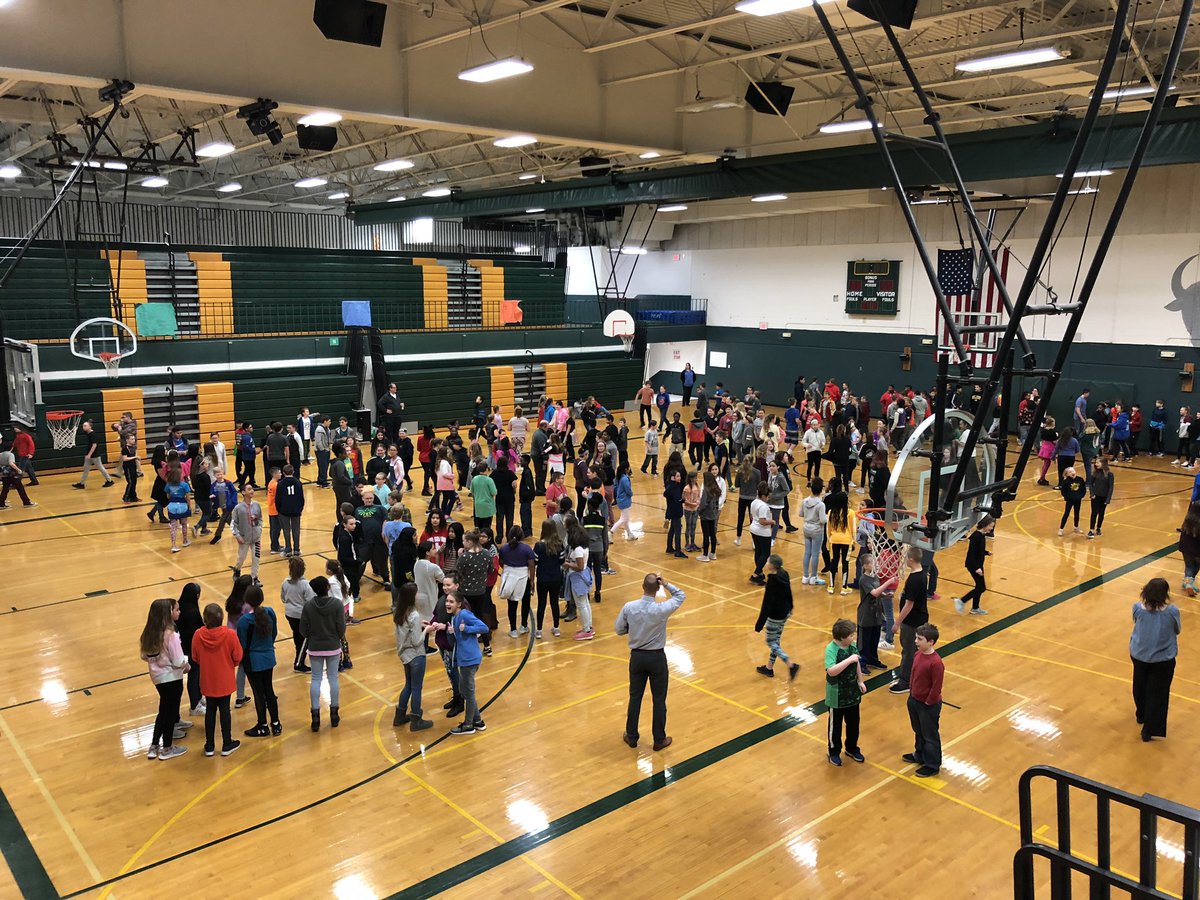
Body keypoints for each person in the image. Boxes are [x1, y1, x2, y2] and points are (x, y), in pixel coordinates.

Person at [616, 574, 686, 751]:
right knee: (659, 699)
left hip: (637, 657)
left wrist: (632, 630)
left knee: (635, 697)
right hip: (656, 658)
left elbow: (619, 629)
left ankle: (631, 736)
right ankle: (659, 739)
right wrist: (667, 584)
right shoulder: (661, 609)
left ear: (642, 586)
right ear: (657, 589)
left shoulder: (629, 607)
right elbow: (681, 595)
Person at [1129, 578, 1181, 742]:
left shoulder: (1137, 608)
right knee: (1157, 693)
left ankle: (1141, 714)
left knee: (1140, 685)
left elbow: (1136, 622)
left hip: (1139, 654)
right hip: (1162, 658)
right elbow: (1177, 630)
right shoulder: (1172, 611)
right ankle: (1149, 730)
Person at [139, 596, 191, 760]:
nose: (179, 612)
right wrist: (186, 663)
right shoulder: (171, 635)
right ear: (167, 614)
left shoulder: (148, 633)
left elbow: (144, 656)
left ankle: (155, 745)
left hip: (157, 678)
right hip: (171, 679)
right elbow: (177, 660)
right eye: (176, 609)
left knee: (163, 711)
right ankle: (167, 748)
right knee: (168, 714)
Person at [189, 602, 243, 757]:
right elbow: (238, 656)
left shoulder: (198, 635)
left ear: (205, 619)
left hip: (207, 679)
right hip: (225, 678)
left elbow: (195, 657)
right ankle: (227, 743)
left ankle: (209, 745)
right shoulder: (230, 634)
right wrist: (228, 665)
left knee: (210, 711)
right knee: (225, 710)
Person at [434, 591, 489, 735]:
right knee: (464, 691)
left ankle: (468, 725)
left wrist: (467, 629)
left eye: (451, 601)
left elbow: (484, 627)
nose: (447, 604)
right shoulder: (454, 618)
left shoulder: (464, 615)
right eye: (447, 601)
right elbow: (455, 641)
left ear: (459, 604)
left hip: (470, 660)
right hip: (464, 659)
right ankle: (477, 721)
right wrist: (451, 632)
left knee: (468, 693)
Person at [300, 575, 345, 731]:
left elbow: (302, 630)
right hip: (332, 645)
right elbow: (341, 628)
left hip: (315, 647)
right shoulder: (337, 605)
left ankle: (315, 715)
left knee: (316, 679)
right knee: (333, 678)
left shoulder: (308, 606)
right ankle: (334, 713)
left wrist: (313, 636)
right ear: (327, 587)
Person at [237, 584, 281, 737]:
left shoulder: (244, 621)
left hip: (253, 661)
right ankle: (276, 724)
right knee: (269, 690)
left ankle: (262, 725)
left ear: (247, 601)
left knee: (258, 693)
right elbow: (273, 633)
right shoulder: (270, 612)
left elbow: (241, 644)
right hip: (268, 657)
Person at [825, 618, 867, 767]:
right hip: (836, 696)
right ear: (843, 637)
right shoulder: (831, 649)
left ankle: (852, 748)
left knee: (854, 724)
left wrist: (860, 681)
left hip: (852, 693)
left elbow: (857, 665)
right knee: (835, 726)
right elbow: (831, 671)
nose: (853, 637)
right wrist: (849, 660)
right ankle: (834, 752)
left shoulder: (852, 646)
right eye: (851, 635)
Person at [392, 582, 434, 730]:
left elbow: (406, 630)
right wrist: (426, 630)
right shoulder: (414, 615)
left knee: (408, 685)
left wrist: (419, 625)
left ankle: (400, 716)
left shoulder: (399, 611)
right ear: (411, 597)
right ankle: (416, 720)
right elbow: (417, 641)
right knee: (416, 688)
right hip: (416, 655)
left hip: (404, 654)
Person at [905, 623, 944, 778]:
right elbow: (914, 675)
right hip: (914, 699)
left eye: (919, 639)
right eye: (916, 637)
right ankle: (920, 755)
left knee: (930, 735)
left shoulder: (936, 663)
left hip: (927, 705)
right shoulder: (918, 655)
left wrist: (928, 702)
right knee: (918, 731)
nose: (916, 641)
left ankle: (932, 764)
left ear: (931, 642)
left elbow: (936, 687)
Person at [889, 546, 928, 695]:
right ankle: (908, 677)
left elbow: (909, 605)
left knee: (909, 651)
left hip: (912, 621)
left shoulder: (914, 579)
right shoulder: (922, 573)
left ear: (911, 560)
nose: (904, 560)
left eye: (906, 557)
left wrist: (897, 622)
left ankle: (906, 682)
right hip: (920, 617)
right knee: (911, 651)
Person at [754, 554, 799, 679]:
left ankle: (790, 664)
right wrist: (790, 608)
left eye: (768, 561)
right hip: (784, 612)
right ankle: (769, 668)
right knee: (776, 640)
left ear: (772, 565)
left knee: (771, 642)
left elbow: (767, 604)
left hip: (775, 615)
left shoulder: (772, 581)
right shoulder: (784, 574)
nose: (766, 563)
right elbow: (789, 592)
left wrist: (759, 623)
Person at [281, 556, 315, 672]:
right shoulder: (306, 584)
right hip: (301, 616)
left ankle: (300, 656)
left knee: (298, 636)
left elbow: (283, 598)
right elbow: (311, 602)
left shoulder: (285, 582)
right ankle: (298, 663)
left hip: (289, 614)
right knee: (304, 640)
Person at [954, 516, 994, 615]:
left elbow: (978, 551)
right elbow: (971, 554)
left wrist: (986, 552)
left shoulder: (981, 535)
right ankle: (961, 601)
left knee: (979, 586)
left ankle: (975, 608)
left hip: (978, 565)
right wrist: (977, 568)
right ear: (985, 525)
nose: (991, 528)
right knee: (981, 588)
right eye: (990, 526)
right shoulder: (976, 536)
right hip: (974, 565)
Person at [176, 583, 205, 716]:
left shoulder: (179, 605)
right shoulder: (192, 612)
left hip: (183, 646)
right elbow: (196, 631)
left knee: (196, 674)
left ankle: (198, 698)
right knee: (194, 676)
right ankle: (194, 705)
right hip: (191, 647)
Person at [231, 485, 264, 582]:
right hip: (244, 538)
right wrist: (237, 535)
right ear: (243, 492)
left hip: (256, 538)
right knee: (241, 557)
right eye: (249, 489)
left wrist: (259, 528)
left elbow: (260, 518)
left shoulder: (257, 505)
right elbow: (233, 524)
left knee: (256, 558)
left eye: (252, 489)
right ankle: (237, 570)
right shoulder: (238, 508)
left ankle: (254, 577)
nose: (252, 491)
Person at [72, 419, 115, 489]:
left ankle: (109, 480)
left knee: (100, 468)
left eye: (85, 426)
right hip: (89, 455)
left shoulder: (93, 434)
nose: (83, 427)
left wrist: (89, 455)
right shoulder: (88, 434)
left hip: (95, 455)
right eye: (83, 426)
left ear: (90, 427)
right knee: (86, 469)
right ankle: (81, 484)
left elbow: (94, 445)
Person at [801, 477, 828, 585]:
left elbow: (800, 514)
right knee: (815, 554)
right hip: (817, 530)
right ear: (821, 490)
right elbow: (822, 520)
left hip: (806, 528)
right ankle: (813, 577)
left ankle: (805, 576)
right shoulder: (820, 504)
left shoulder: (805, 501)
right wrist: (827, 516)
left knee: (807, 553)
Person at [276, 464, 305, 557]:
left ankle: (288, 549)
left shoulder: (280, 483)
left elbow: (278, 498)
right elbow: (301, 498)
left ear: (283, 473)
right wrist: (300, 508)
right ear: (293, 472)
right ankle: (297, 549)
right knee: (296, 530)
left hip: (284, 510)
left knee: (286, 529)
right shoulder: (298, 482)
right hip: (296, 510)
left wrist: (279, 509)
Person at [748, 482, 774, 584]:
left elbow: (752, 516)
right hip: (762, 532)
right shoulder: (763, 506)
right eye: (768, 496)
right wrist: (772, 521)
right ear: (763, 495)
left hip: (754, 529)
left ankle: (759, 573)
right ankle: (756, 574)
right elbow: (762, 521)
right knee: (766, 553)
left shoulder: (754, 502)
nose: (768, 498)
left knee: (758, 552)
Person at [1087, 457, 1114, 538]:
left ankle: (1098, 528)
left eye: (1098, 462)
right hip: (1096, 496)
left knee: (1101, 513)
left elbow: (1111, 487)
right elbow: (1090, 484)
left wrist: (1108, 498)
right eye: (1096, 463)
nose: (1096, 464)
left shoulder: (1109, 474)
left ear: (1103, 463)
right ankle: (1091, 530)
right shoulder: (1095, 473)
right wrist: (1092, 494)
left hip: (1104, 497)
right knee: (1094, 513)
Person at [611, 462, 637, 540]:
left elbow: (615, 487)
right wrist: (631, 494)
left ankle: (629, 534)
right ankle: (611, 532)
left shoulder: (619, 477)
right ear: (626, 469)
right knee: (623, 519)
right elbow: (628, 490)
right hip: (625, 500)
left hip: (621, 499)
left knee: (626, 518)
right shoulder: (625, 479)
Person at [1058, 466, 1086, 536]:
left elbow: (1083, 489)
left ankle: (1076, 527)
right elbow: (1063, 492)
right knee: (1066, 514)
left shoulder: (1080, 479)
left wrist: (1080, 496)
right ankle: (1061, 529)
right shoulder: (1065, 482)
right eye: (1070, 472)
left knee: (1077, 514)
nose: (1072, 473)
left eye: (1073, 471)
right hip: (1070, 500)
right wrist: (1069, 498)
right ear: (1067, 474)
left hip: (1078, 500)